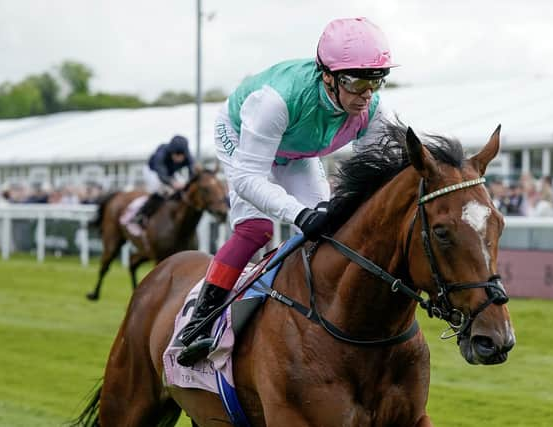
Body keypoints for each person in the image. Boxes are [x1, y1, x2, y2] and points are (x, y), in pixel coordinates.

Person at [177, 17, 398, 366]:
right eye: (357, 82)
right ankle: (199, 320)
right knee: (256, 229)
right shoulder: (274, 102)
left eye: (376, 81)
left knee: (329, 235)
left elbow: (377, 176)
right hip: (241, 136)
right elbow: (250, 179)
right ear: (328, 75)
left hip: (296, 151)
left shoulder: (372, 110)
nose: (366, 94)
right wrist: (299, 213)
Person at [132, 135, 194, 226]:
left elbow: (192, 172)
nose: (179, 158)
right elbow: (161, 174)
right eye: (176, 154)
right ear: (171, 151)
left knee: (182, 187)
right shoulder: (162, 152)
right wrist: (172, 183)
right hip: (152, 171)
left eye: (181, 155)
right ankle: (141, 214)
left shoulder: (188, 156)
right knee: (158, 188)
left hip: (170, 172)